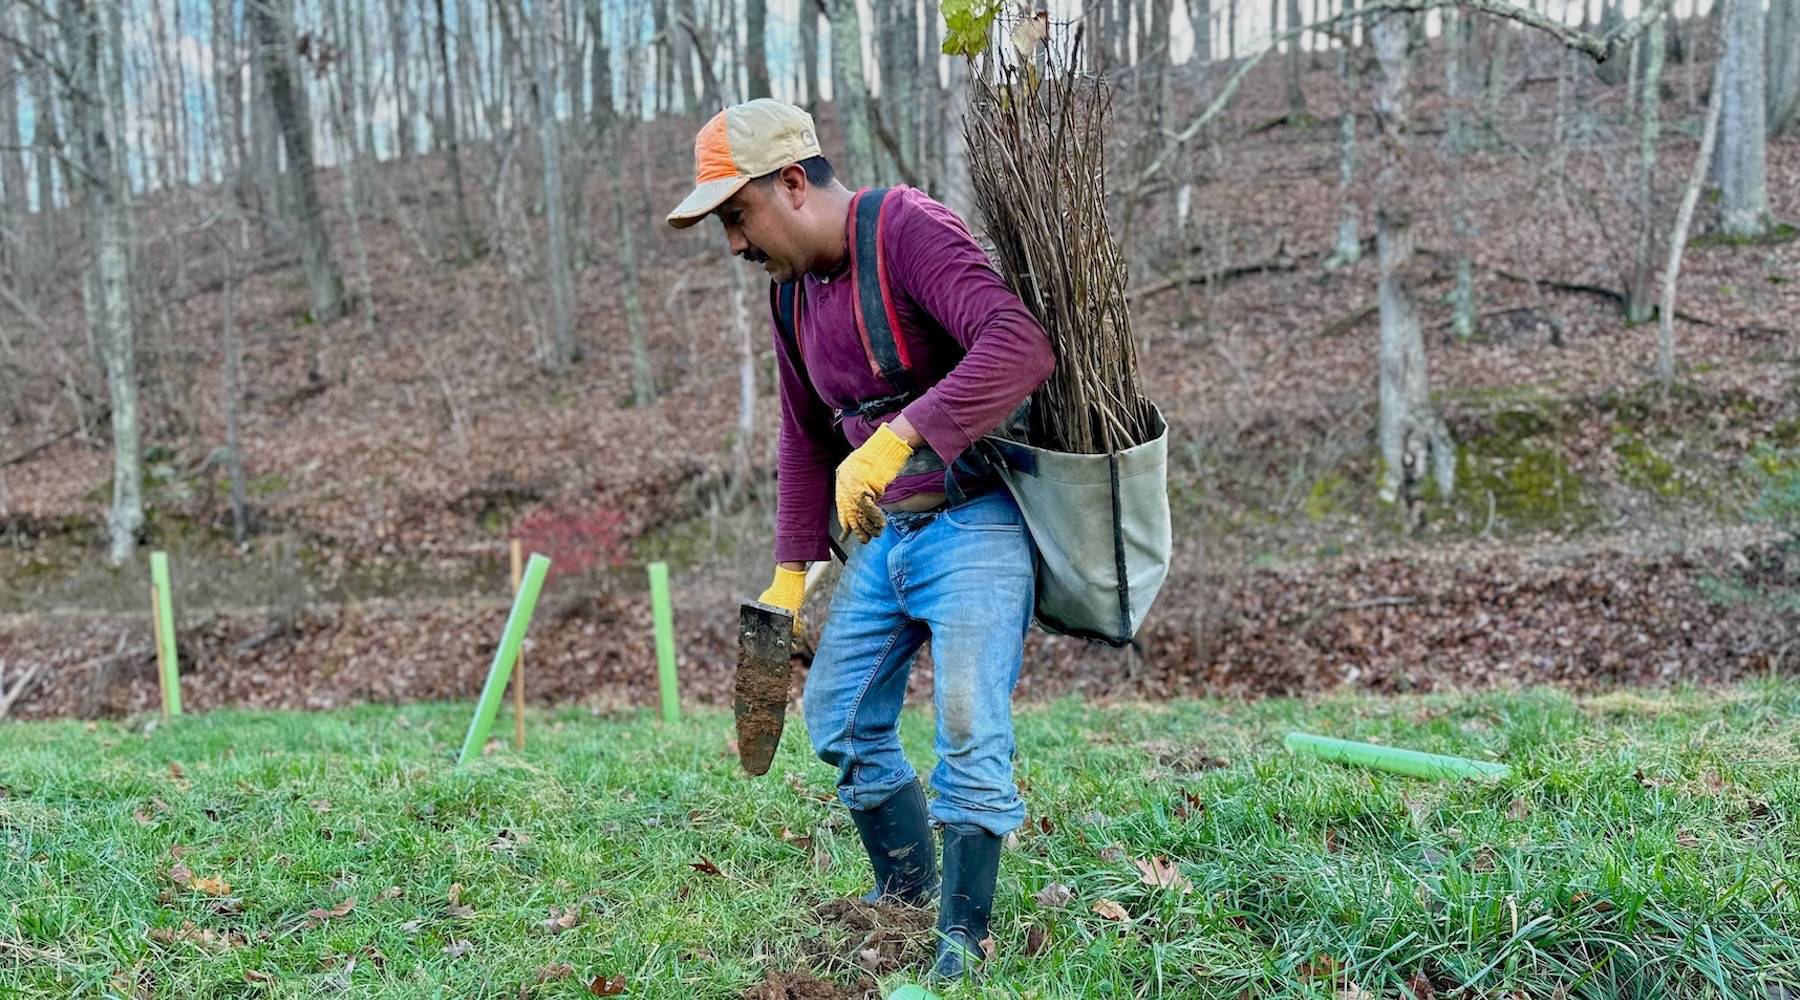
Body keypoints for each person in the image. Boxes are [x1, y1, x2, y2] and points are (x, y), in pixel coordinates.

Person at [667, 98, 1054, 980]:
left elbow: (1021, 346)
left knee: (966, 725)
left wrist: (899, 435)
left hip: (975, 519)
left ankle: (963, 937)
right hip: (885, 543)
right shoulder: (790, 295)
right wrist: (788, 578)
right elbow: (804, 438)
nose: (734, 243)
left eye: (737, 215)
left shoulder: (907, 229)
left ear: (793, 184)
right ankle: (907, 900)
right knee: (835, 717)